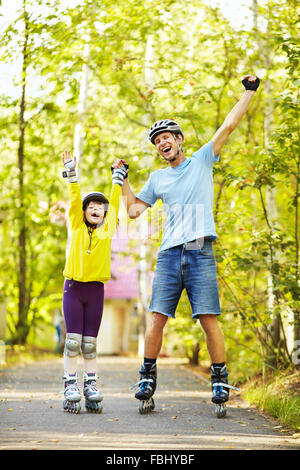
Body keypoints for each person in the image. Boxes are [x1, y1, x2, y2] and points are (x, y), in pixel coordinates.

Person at [113, 75, 260, 413]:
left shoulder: (202, 160)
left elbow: (228, 125)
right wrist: (122, 182)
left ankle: (220, 377)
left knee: (209, 318)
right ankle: (147, 376)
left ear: (179, 140)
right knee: (156, 318)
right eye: (157, 141)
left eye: (166, 137)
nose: (162, 143)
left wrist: (249, 92)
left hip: (198, 248)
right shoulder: (158, 178)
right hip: (168, 254)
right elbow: (135, 210)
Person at [61, 150, 127, 413]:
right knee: (73, 341)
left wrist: (117, 179)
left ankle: (90, 383)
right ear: (84, 212)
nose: (96, 209)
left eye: (100, 207)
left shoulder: (108, 230)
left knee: (89, 343)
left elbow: (115, 202)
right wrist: (72, 174)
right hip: (74, 289)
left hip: (96, 291)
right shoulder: (77, 225)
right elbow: (75, 199)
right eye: (91, 206)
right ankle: (69, 384)